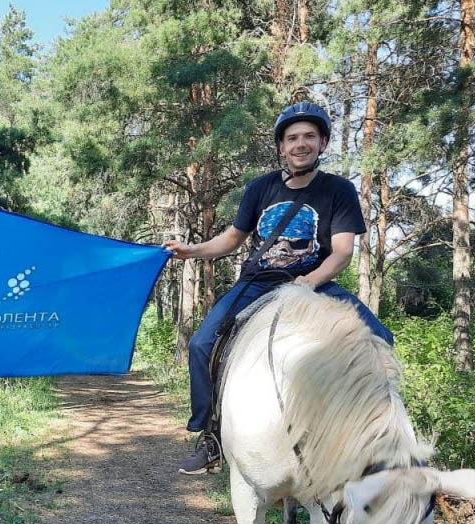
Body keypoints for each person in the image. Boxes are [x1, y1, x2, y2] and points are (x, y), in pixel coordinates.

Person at [163, 101, 393, 475]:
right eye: (292, 138)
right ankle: (210, 434)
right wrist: (192, 251)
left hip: (314, 284)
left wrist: (310, 281)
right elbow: (233, 239)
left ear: (322, 143)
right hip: (257, 282)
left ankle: (377, 442)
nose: (300, 144)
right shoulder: (261, 188)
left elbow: (343, 252)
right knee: (202, 344)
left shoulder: (339, 190)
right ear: (281, 147)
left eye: (308, 137)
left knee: (380, 338)